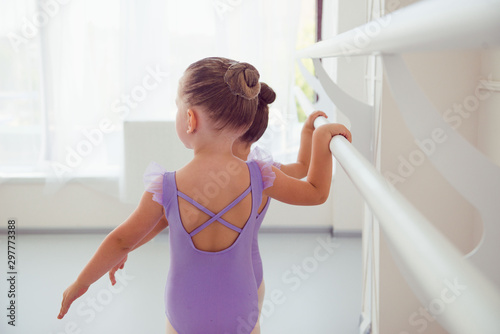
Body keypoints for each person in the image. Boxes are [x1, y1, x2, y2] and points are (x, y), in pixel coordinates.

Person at [57, 57, 351, 334]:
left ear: (189, 119)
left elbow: (123, 238)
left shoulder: (166, 186)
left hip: (184, 311)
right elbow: (315, 191)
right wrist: (322, 139)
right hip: (241, 307)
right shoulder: (261, 175)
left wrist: (80, 283)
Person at [231, 81, 328, 326]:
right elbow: (302, 169)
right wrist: (310, 134)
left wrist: (321, 135)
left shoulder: (248, 174)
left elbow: (315, 191)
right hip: (252, 277)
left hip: (236, 282)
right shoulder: (263, 170)